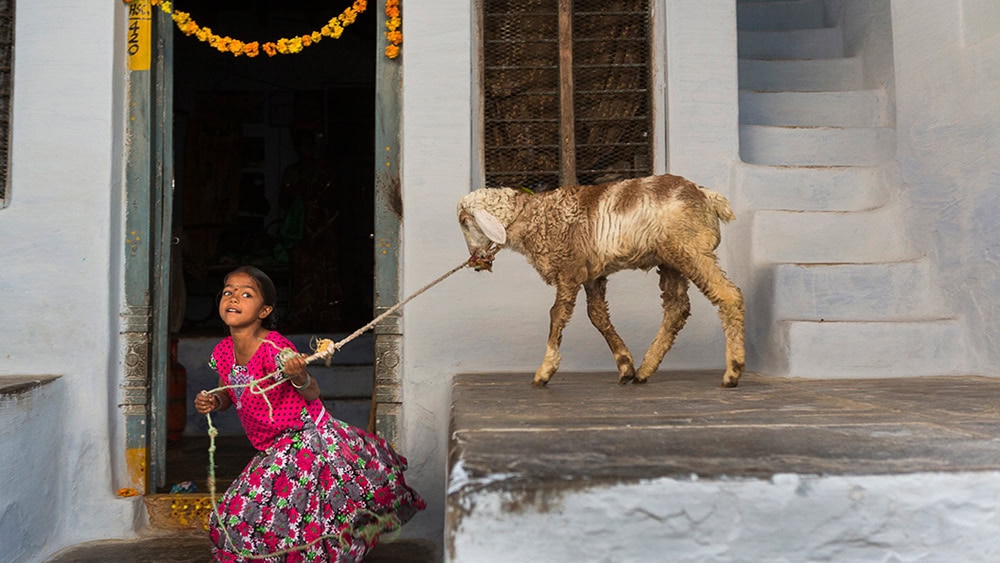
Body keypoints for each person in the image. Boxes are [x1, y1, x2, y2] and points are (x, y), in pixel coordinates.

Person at [194, 265, 425, 561]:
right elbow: (226, 390)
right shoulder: (222, 351)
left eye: (246, 294)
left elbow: (311, 391)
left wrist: (298, 375)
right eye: (228, 292)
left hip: (304, 438)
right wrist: (214, 402)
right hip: (271, 445)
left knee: (260, 512)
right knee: (263, 516)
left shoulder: (275, 347)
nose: (234, 298)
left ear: (264, 310)